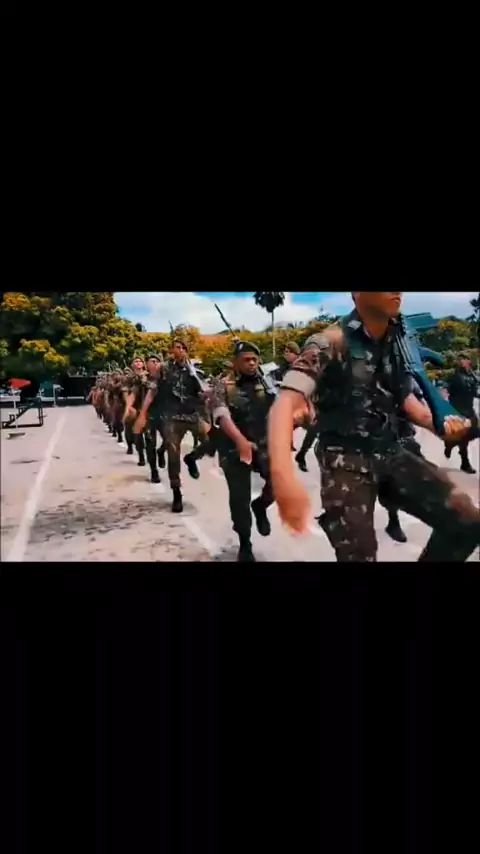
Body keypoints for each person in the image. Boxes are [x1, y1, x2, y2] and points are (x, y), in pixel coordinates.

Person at [268, 291, 480, 563]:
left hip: (390, 449)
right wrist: (283, 478)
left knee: (467, 522)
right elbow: (285, 404)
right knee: (359, 555)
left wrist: (438, 424)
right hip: (344, 459)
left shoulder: (399, 339)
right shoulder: (329, 342)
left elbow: (404, 397)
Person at [210, 341, 278, 561]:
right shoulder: (223, 385)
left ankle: (260, 506)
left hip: (262, 443)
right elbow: (222, 415)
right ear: (235, 362)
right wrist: (240, 441)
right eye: (246, 360)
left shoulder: (267, 383)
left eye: (254, 360)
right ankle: (245, 542)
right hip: (233, 447)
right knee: (239, 498)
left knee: (279, 483)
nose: (251, 363)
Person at [135, 339, 209, 512]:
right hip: (172, 416)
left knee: (211, 440)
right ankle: (176, 492)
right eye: (177, 347)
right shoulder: (164, 369)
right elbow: (152, 391)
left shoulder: (194, 369)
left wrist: (205, 396)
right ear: (171, 350)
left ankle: (192, 458)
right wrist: (143, 413)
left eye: (183, 347)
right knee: (173, 454)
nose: (180, 350)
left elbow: (203, 393)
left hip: (192, 414)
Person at [444, 356, 478, 474]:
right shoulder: (454, 376)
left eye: (467, 361)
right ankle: (465, 463)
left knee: (474, 432)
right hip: (457, 411)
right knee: (464, 437)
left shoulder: (472, 377)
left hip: (469, 410)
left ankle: (451, 443)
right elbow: (446, 389)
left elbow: (475, 393)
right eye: (463, 360)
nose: (466, 363)